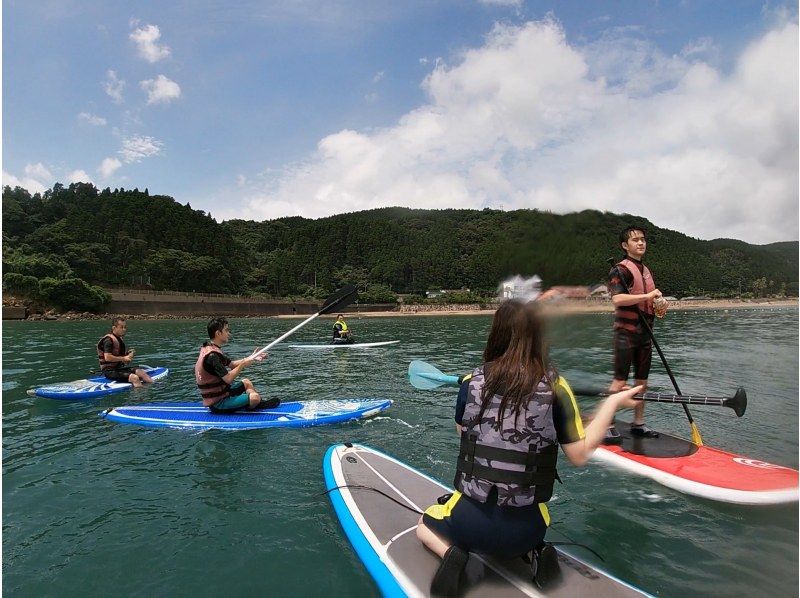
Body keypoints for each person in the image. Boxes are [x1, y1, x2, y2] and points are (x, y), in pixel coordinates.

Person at [415, 300, 641, 596]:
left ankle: (452, 554)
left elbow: (464, 430)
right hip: (528, 530)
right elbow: (580, 455)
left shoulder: (471, 382)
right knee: (531, 515)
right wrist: (610, 404)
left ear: (496, 333)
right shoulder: (557, 387)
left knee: (423, 525)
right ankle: (535, 551)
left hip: (469, 524)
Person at [604, 226, 668, 444]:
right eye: (635, 240)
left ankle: (638, 423)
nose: (641, 243)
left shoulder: (645, 269)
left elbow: (648, 298)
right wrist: (648, 294)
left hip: (645, 335)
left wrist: (658, 302)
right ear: (625, 245)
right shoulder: (619, 270)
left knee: (642, 381)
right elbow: (618, 299)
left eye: (643, 240)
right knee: (619, 381)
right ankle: (607, 424)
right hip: (626, 334)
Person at [194, 317, 280, 413]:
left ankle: (256, 404)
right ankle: (254, 403)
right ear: (218, 333)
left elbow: (232, 364)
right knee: (255, 398)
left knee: (246, 382)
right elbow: (228, 379)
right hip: (218, 403)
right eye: (226, 330)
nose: (229, 333)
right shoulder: (212, 356)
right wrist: (243, 365)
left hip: (224, 394)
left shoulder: (212, 349)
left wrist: (252, 357)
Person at [97, 317, 154, 387]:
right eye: (121, 327)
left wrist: (128, 355)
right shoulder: (108, 340)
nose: (124, 329)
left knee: (141, 372)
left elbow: (124, 361)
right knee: (135, 378)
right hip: (109, 372)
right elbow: (108, 358)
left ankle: (155, 389)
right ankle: (139, 397)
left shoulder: (119, 339)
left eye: (125, 327)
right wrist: (124, 358)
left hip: (119, 369)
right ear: (114, 328)